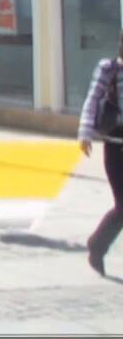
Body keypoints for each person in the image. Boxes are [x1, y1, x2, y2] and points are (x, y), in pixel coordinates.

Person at [79, 31, 123, 276]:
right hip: (117, 145)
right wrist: (85, 133)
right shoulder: (109, 69)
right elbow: (92, 100)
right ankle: (98, 244)